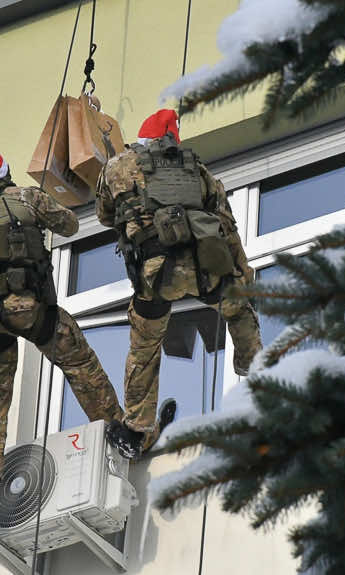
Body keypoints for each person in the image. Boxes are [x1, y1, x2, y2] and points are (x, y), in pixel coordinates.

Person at [0, 144, 124, 516]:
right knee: (77, 360)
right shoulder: (24, 196)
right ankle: (116, 428)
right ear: (3, 172)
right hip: (28, 307)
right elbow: (70, 225)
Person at [96, 109, 262, 458]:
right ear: (172, 137)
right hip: (204, 268)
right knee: (240, 310)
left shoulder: (116, 168)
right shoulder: (198, 170)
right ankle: (256, 371)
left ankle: (136, 428)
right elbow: (226, 225)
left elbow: (104, 215)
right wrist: (243, 276)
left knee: (144, 345)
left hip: (155, 275)